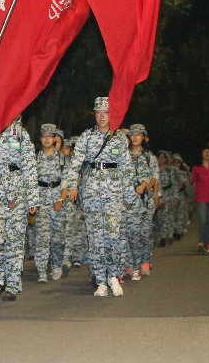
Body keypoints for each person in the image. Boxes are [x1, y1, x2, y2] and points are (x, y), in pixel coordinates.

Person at [67, 97, 132, 297]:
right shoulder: (86, 136)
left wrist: (128, 196)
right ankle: (100, 280)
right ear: (94, 114)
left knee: (113, 235)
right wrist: (72, 186)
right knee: (95, 238)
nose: (102, 117)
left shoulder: (119, 138)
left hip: (114, 192)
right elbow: (75, 163)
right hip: (92, 191)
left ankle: (113, 276)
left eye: (106, 113)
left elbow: (127, 168)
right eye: (98, 112)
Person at [0, 115, 37, 297]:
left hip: (18, 191)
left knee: (15, 241)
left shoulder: (20, 134)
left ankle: (12, 285)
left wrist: (32, 198)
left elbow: (30, 167)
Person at [123, 124, 158, 279]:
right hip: (129, 199)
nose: (135, 137)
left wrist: (146, 189)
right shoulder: (123, 154)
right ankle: (130, 264)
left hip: (146, 200)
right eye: (133, 134)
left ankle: (145, 260)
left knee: (144, 233)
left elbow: (154, 176)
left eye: (138, 134)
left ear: (143, 137)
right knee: (129, 233)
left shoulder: (148, 156)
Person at [33, 124, 67, 282]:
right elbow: (31, 182)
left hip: (57, 200)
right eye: (44, 136)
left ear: (55, 139)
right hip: (41, 200)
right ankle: (41, 270)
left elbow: (66, 182)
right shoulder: (34, 159)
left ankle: (56, 265)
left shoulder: (62, 159)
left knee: (57, 238)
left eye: (50, 136)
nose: (47, 139)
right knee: (42, 236)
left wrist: (61, 199)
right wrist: (33, 202)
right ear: (40, 138)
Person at [62, 136, 88, 269]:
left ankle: (78, 256)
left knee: (81, 229)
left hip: (83, 200)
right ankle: (66, 258)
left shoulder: (87, 164)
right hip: (70, 201)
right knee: (69, 229)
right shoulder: (68, 164)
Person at [190, 146, 209, 253]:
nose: (207, 153)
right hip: (201, 198)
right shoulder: (196, 168)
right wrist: (194, 196)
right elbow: (193, 183)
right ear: (201, 154)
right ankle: (201, 242)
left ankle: (208, 243)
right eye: (205, 151)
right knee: (203, 220)